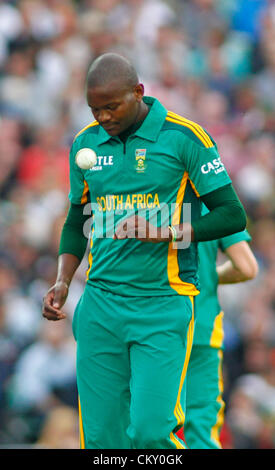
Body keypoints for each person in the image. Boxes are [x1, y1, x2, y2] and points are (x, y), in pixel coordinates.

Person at [42, 53, 247, 449]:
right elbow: (74, 221)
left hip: (162, 304)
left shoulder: (185, 138)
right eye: (94, 108)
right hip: (100, 304)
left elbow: (232, 215)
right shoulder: (86, 144)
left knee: (153, 433)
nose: (102, 117)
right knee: (102, 440)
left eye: (111, 106)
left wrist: (168, 231)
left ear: (138, 92)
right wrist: (63, 280)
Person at [176, 204, 258, 448]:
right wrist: (207, 276)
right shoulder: (211, 202)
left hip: (149, 332)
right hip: (202, 329)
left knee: (146, 428)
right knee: (201, 431)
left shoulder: (144, 192)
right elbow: (247, 267)